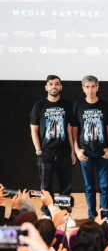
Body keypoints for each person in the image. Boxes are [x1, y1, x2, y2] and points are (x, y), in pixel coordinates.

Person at [30, 75, 76, 225]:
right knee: (46, 185)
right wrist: (38, 150)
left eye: (57, 84)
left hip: (64, 152)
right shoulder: (39, 106)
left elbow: (70, 130)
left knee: (65, 185)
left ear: (61, 87)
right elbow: (34, 130)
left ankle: (65, 213)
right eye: (51, 84)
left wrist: (72, 151)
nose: (54, 86)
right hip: (45, 153)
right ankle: (47, 213)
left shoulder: (68, 105)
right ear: (46, 87)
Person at [72, 75, 108, 219]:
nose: (90, 90)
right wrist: (77, 149)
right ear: (83, 89)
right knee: (89, 186)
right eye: (87, 87)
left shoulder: (105, 105)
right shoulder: (78, 106)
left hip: (102, 151)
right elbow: (74, 129)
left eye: (93, 86)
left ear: (97, 87)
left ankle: (104, 213)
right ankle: (91, 214)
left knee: (104, 186)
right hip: (85, 152)